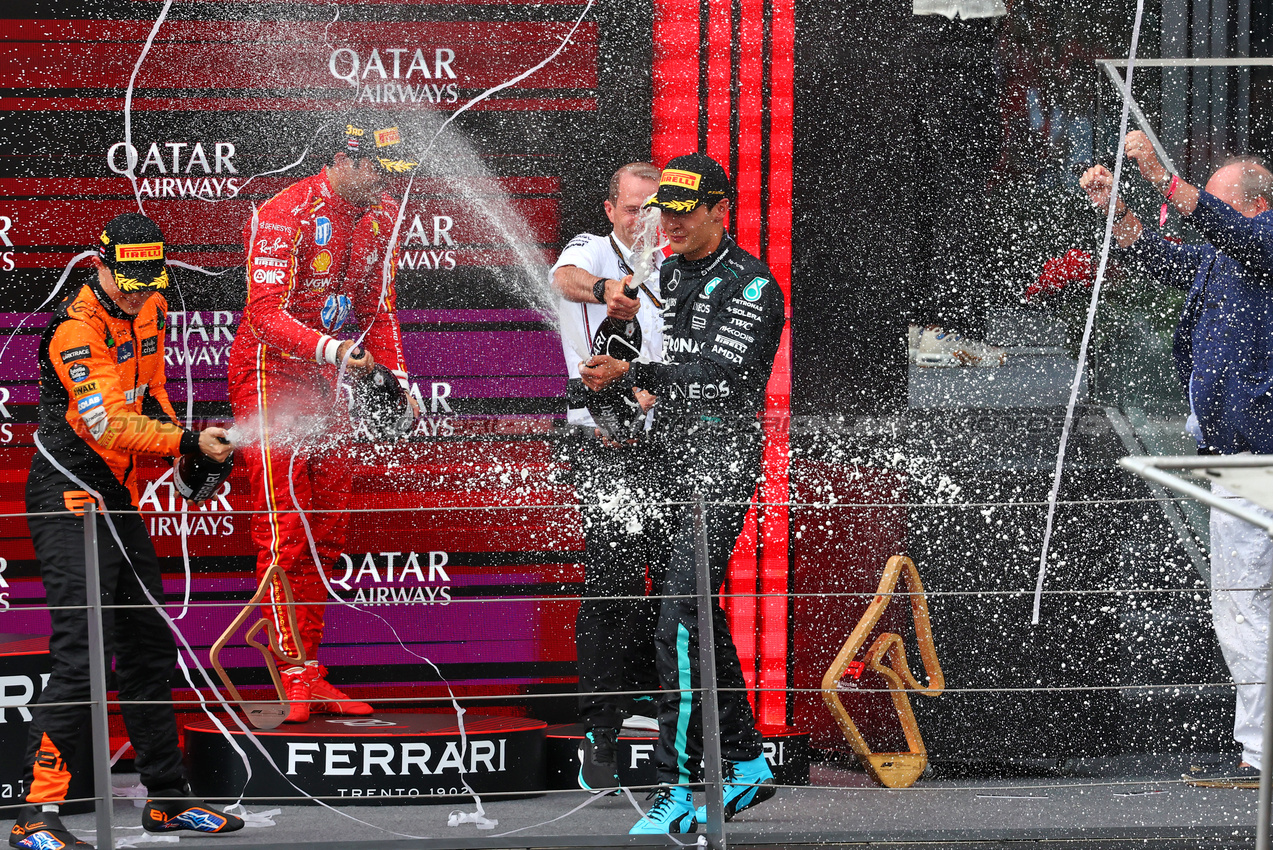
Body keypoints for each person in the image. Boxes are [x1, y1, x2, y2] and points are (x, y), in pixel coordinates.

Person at [11, 213, 243, 849]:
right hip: (66, 494)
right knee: (81, 654)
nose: (141, 291)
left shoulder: (153, 307)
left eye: (150, 280)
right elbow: (110, 426)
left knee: (147, 646)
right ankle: (37, 818)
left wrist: (186, 452)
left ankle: (166, 800)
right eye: (130, 281)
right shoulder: (75, 333)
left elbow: (154, 397)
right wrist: (186, 440)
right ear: (101, 267)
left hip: (117, 496)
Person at [581, 153, 786, 833]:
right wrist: (616, 362)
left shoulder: (754, 284)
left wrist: (636, 369)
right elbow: (656, 361)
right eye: (663, 210)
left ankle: (677, 788)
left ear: (720, 209)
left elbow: (724, 379)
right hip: (665, 461)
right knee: (696, 620)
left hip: (719, 467)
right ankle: (750, 765)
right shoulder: (666, 269)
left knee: (676, 622)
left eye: (684, 211)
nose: (669, 222)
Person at [1080, 133, 1273, 789]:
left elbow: (1216, 229)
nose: (1198, 214)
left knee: (1243, 606)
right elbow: (1168, 263)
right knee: (1245, 607)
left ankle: (1258, 753)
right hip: (1238, 456)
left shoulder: (1265, 240)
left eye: (1210, 207)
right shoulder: (1229, 258)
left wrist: (1163, 178)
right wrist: (1118, 216)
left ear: (1253, 206)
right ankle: (1257, 747)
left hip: (1257, 457)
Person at [226, 120, 417, 723]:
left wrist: (399, 380)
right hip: (269, 379)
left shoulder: (381, 215)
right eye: (381, 176)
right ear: (345, 159)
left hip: (331, 380)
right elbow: (261, 315)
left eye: (396, 178)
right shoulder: (286, 211)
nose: (388, 189)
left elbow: (378, 312)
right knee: (284, 531)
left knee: (327, 532)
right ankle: (290, 672)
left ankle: (311, 667)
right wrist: (338, 353)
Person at [551, 162, 665, 792]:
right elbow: (564, 278)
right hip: (601, 445)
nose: (641, 220)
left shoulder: (677, 267)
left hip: (668, 446)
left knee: (673, 587)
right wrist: (605, 293)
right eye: (631, 208)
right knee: (613, 583)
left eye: (653, 210)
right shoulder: (590, 251)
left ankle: (664, 713)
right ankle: (602, 730)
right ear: (609, 208)